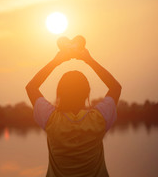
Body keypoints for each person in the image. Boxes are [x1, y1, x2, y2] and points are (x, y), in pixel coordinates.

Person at [25, 43, 121, 177]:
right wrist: (89, 60)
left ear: (59, 93)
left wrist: (56, 61)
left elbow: (31, 88)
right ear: (87, 93)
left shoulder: (51, 120)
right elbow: (116, 88)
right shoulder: (98, 119)